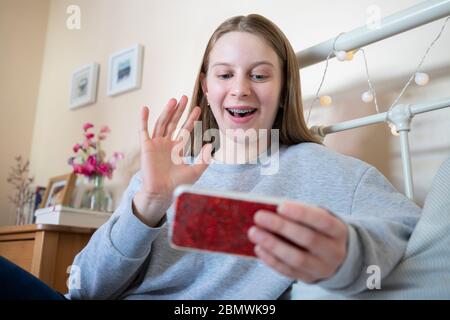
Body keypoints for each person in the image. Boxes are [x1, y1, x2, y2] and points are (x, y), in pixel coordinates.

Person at [0, 14, 420, 300]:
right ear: (206, 84)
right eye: (224, 75)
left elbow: (414, 234)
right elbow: (85, 289)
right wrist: (148, 204)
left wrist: (347, 256)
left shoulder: (326, 171)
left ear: (284, 86)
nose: (239, 89)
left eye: (259, 74)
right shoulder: (168, 165)